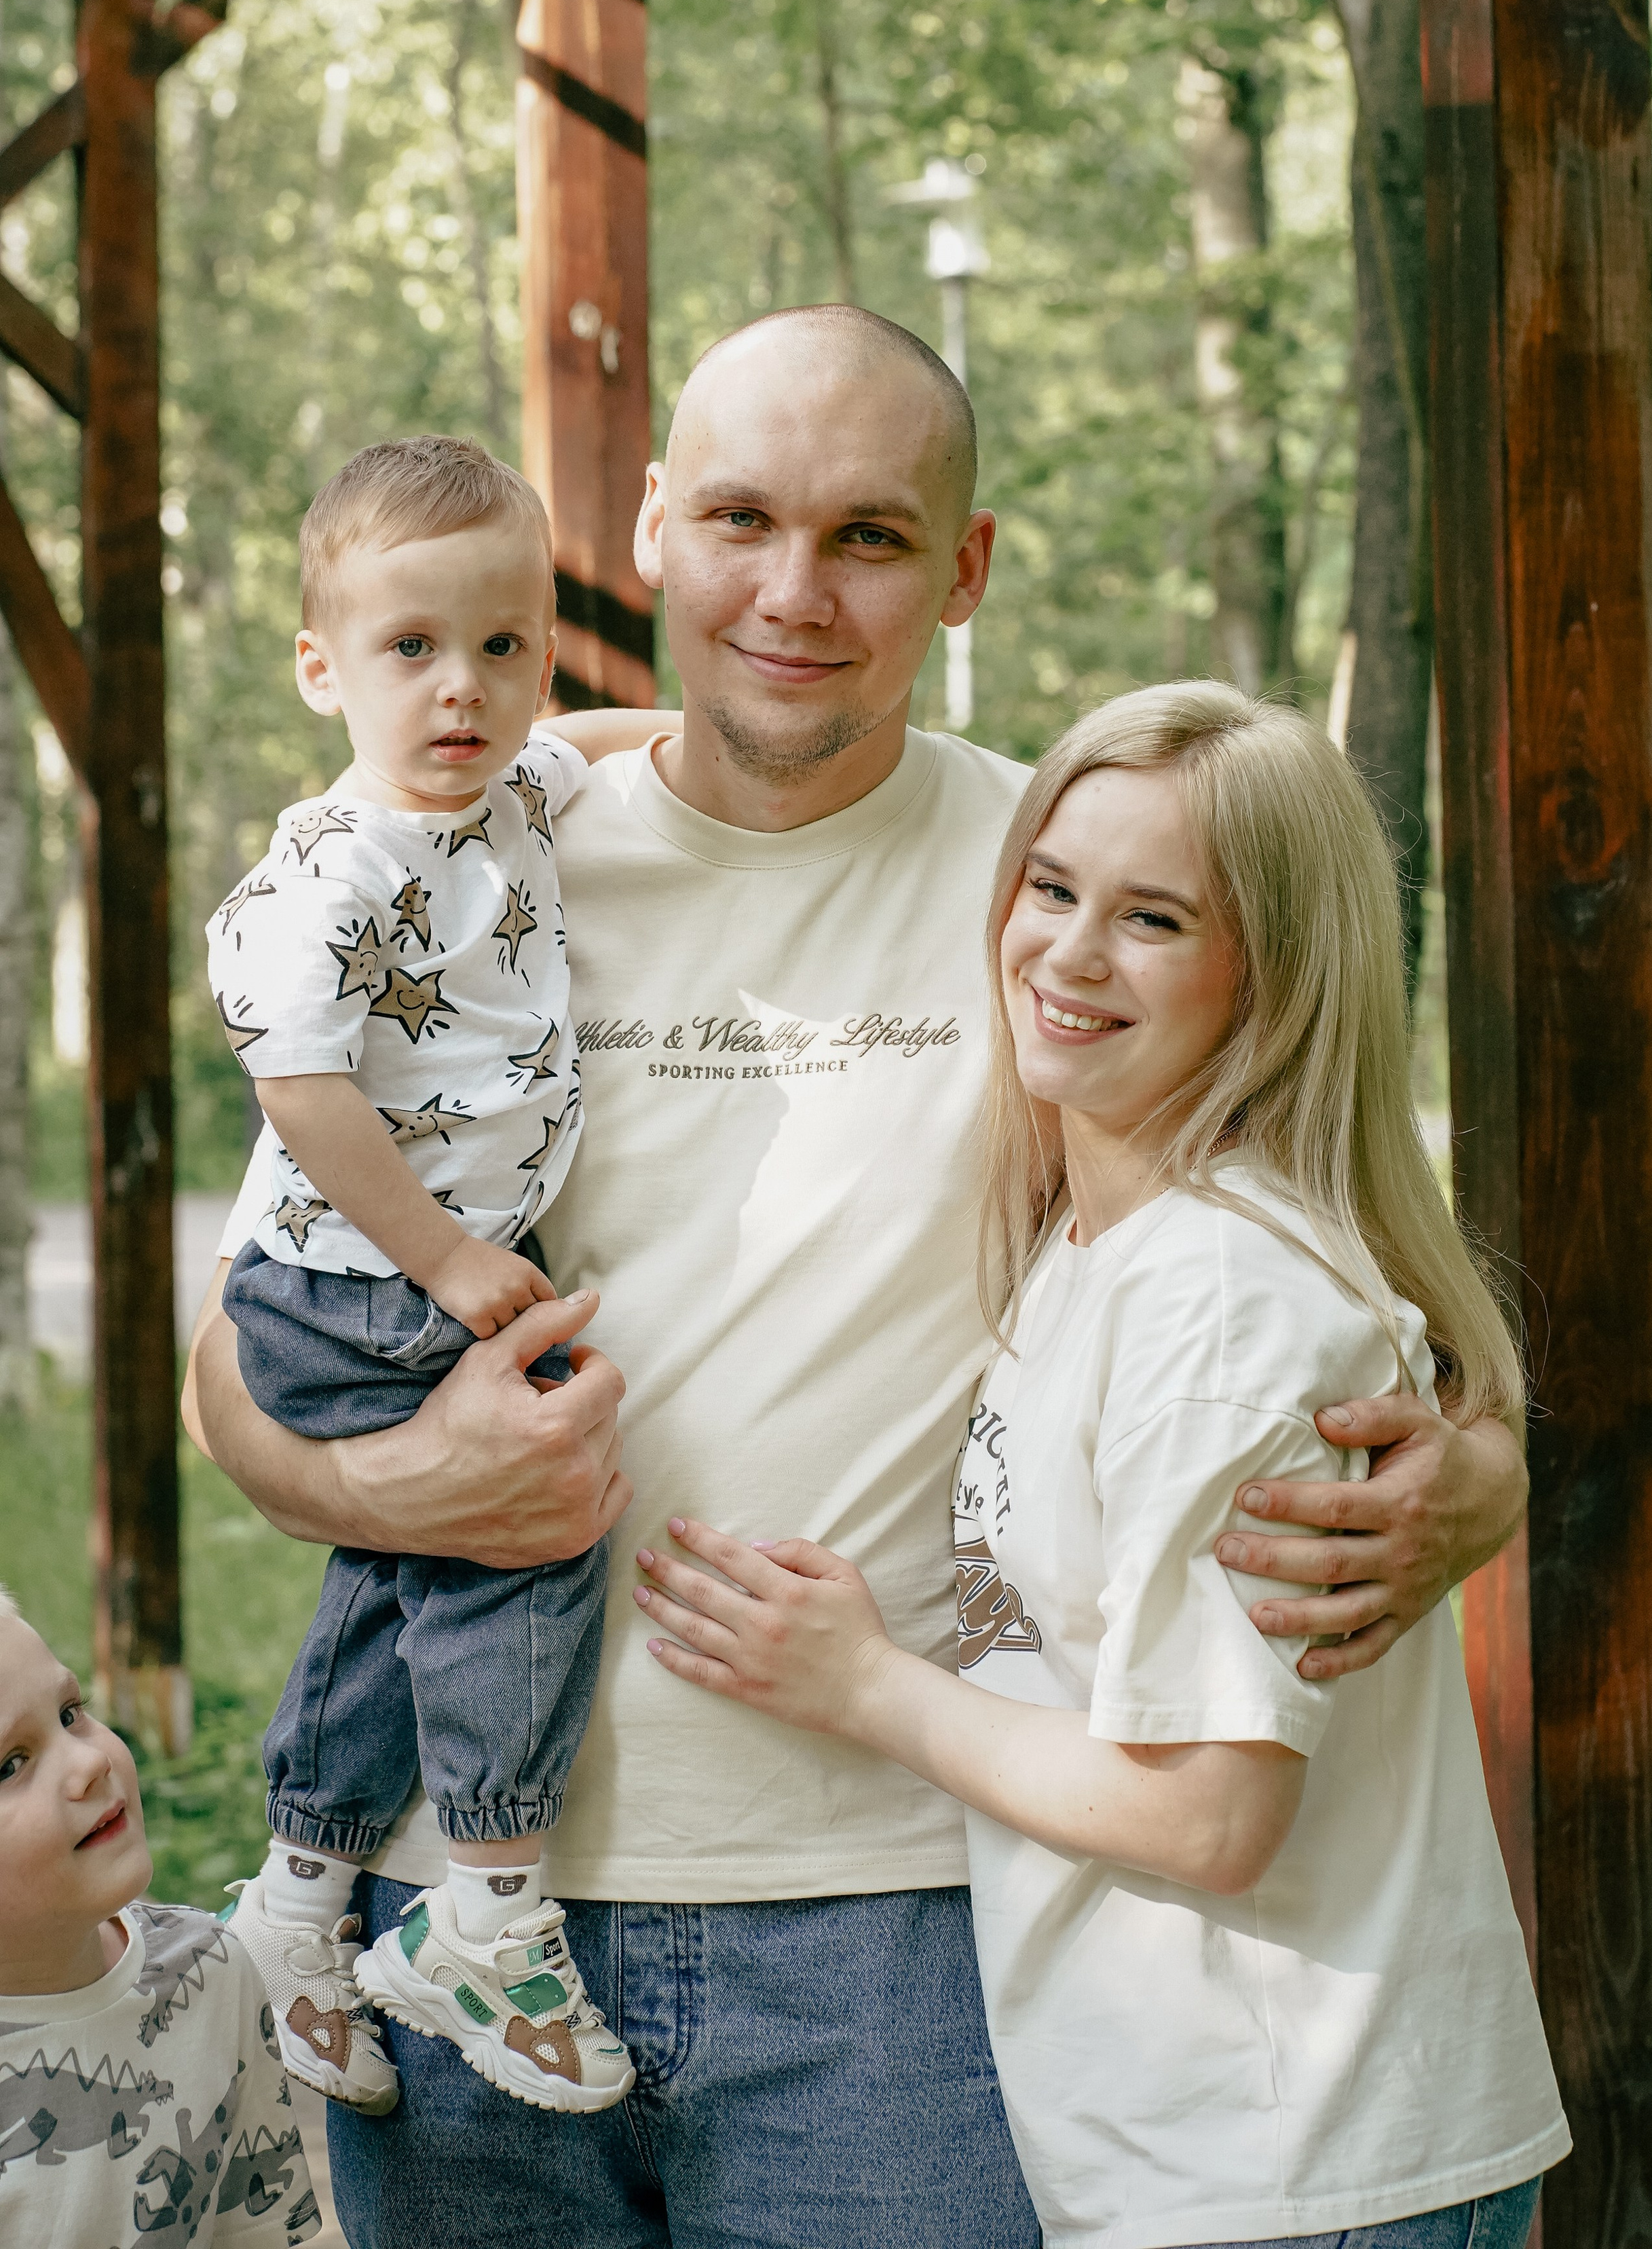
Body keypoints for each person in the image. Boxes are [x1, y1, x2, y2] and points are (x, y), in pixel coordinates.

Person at [187, 308, 1531, 2249]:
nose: (791, 593)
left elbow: (1332, 1263)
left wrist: (1472, 1470)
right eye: (739, 518)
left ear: (965, 570)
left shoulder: (1061, 888)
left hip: (900, 1923)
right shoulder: (466, 868)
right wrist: (382, 1487)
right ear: (645, 532)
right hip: (457, 1900)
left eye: (872, 538)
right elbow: (247, 1344)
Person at [637, 680, 1569, 2248]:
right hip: (1209, 2148)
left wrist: (863, 1683)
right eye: (1050, 886)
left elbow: (1208, 1811)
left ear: (1266, 974)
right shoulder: (1100, 1237)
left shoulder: (1214, 1296)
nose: (1066, 951)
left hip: (1295, 2161)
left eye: (1150, 918)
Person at [208, 435, 635, 2119]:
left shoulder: (508, 789)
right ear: (323, 665)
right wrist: (452, 1260)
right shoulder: (329, 870)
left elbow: (592, 746)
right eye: (410, 648)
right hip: (359, 1275)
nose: (462, 687)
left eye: (503, 645)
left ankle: (300, 1904)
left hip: (416, 1271)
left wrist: (664, 732)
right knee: (522, 1538)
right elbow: (300, 1091)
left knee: (392, 1583)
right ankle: (491, 1906)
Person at [0, 1590, 320, 2248]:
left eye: (70, 1713)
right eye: (11, 1763)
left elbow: (259, 2228)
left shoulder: (210, 1969)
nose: (89, 1762)